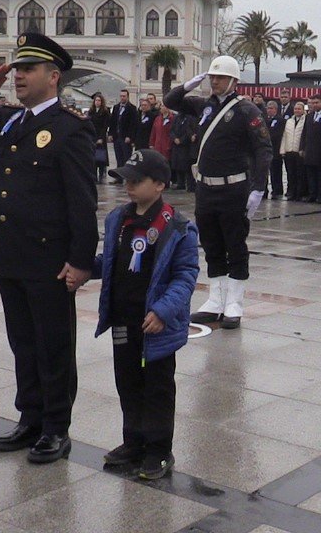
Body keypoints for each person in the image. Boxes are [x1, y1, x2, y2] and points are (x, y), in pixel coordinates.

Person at [0, 32, 97, 464]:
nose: (18, 77)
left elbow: (82, 201)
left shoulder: (70, 128)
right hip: (8, 253)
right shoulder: (9, 120)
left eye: (28, 69)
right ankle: (30, 418)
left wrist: (81, 261)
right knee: (23, 343)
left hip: (48, 258)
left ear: (53, 77)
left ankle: (56, 428)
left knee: (53, 346)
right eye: (16, 70)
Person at [91, 149, 198, 480]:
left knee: (157, 388)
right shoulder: (119, 219)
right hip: (123, 319)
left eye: (137, 181)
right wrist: (84, 269)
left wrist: (163, 311)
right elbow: (109, 262)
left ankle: (159, 450)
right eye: (126, 180)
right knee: (127, 382)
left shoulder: (177, 227)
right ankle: (133, 441)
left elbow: (185, 277)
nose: (129, 186)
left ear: (160, 185)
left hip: (156, 325)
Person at [164, 56, 272, 329]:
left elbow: (263, 150)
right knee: (211, 244)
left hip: (234, 188)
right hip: (205, 188)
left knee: (234, 245)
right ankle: (216, 300)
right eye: (212, 76)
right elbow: (171, 101)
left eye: (220, 77)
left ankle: (234, 303)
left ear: (234, 81)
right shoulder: (204, 106)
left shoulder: (247, 110)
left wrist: (258, 188)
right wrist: (187, 85)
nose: (215, 81)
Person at [300, 95, 321, 203]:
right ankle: (312, 194)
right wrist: (302, 148)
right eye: (313, 103)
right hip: (310, 150)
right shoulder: (309, 116)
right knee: (311, 174)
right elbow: (304, 133)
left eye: (317, 102)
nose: (314, 105)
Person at [280, 101, 308, 201]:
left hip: (299, 151)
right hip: (289, 150)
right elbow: (284, 135)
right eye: (295, 109)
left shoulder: (306, 121)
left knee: (300, 174)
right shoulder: (289, 121)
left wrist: (303, 149)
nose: (297, 111)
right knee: (290, 174)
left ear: (303, 110)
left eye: (299, 109)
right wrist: (282, 150)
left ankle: (299, 193)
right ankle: (291, 192)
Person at [108, 89, 138, 178]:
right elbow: (112, 122)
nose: (122, 98)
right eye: (121, 96)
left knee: (126, 158)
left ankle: (127, 177)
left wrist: (130, 136)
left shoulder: (132, 108)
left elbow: (133, 124)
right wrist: (110, 134)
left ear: (127, 97)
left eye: (124, 96)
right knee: (118, 157)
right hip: (116, 136)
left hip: (125, 137)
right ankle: (119, 177)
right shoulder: (116, 107)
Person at [264, 101, 286, 199]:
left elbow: (277, 135)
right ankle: (265, 190)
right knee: (266, 171)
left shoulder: (280, 120)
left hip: (276, 149)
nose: (269, 110)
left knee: (276, 171)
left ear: (276, 110)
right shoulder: (265, 119)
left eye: (271, 108)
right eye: (268, 108)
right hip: (266, 150)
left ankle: (277, 190)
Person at [88, 93, 111, 184]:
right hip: (92, 136)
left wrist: (101, 137)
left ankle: (101, 176)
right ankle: (94, 176)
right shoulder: (91, 111)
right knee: (93, 158)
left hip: (101, 137)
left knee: (101, 158)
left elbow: (105, 126)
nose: (97, 102)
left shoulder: (105, 112)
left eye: (99, 101)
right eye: (96, 100)